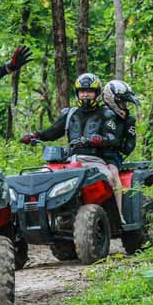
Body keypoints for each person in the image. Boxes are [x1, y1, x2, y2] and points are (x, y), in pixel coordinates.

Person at [19, 73, 125, 219]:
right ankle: (42, 217)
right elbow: (52, 132)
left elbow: (113, 138)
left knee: (110, 178)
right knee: (42, 175)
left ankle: (120, 216)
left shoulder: (106, 114)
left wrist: (100, 139)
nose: (85, 95)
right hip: (70, 161)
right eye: (82, 91)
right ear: (77, 93)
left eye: (89, 91)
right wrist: (34, 136)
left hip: (94, 161)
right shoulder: (70, 114)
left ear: (97, 93)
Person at [101, 79, 139, 169]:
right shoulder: (98, 114)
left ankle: (117, 184)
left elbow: (129, 147)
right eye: (123, 103)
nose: (125, 106)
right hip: (89, 157)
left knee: (112, 172)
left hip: (112, 158)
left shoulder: (128, 120)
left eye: (125, 103)